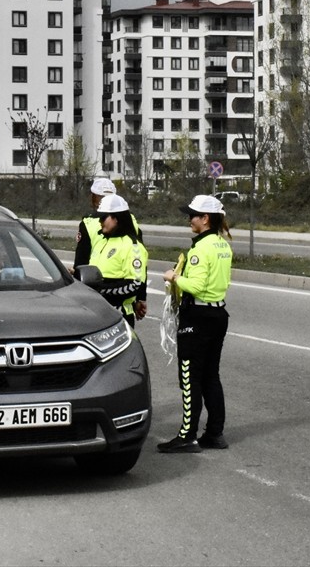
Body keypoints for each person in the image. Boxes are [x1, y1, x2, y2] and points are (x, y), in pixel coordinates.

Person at [158, 194, 233, 453]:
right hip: (218, 314)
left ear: (206, 219)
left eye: (193, 215)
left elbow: (198, 286)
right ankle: (215, 433)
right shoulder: (223, 245)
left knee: (190, 378)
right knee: (211, 376)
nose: (189, 220)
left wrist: (174, 278)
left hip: (198, 317)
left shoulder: (201, 248)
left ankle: (187, 435)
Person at [86, 194, 149, 326]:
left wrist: (100, 290)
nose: (100, 222)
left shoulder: (132, 246)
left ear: (117, 218)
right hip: (96, 312)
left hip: (118, 315)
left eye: (103, 218)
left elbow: (135, 284)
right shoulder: (102, 242)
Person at [73, 177, 116, 277]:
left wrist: (76, 274)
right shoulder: (131, 220)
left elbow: (81, 261)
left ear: (95, 199)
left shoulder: (88, 223)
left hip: (95, 281)